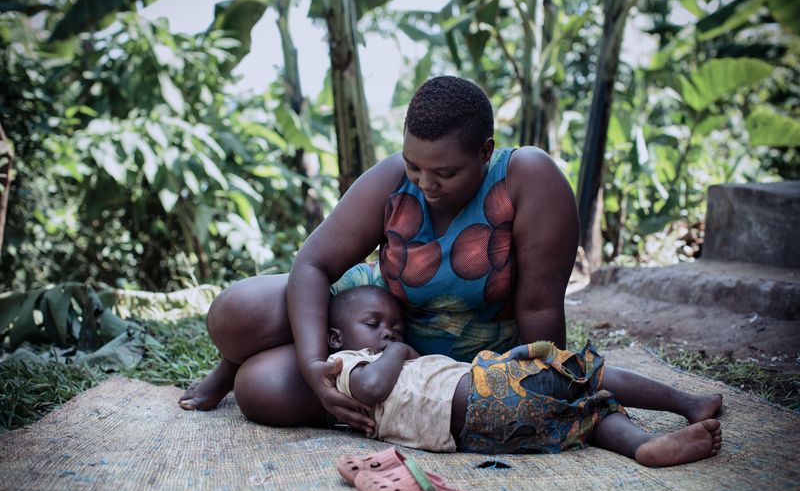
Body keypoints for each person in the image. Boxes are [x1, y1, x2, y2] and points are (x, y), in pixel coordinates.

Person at [179, 76, 586, 431]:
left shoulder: (527, 179)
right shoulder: (391, 179)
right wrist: (312, 365)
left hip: (453, 355)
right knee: (236, 310)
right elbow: (314, 263)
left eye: (445, 173)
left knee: (261, 389)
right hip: (375, 314)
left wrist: (542, 388)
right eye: (414, 166)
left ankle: (341, 397)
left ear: (484, 152)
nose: (427, 183)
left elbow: (538, 311)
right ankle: (234, 366)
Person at [326, 285, 723, 466]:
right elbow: (372, 387)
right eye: (373, 323)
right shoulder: (346, 363)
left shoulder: (387, 357)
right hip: (484, 391)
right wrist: (397, 349)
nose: (388, 332)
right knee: (580, 374)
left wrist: (398, 350)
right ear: (335, 337)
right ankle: (686, 403)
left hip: (481, 436)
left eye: (394, 326)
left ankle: (643, 447)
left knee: (585, 417)